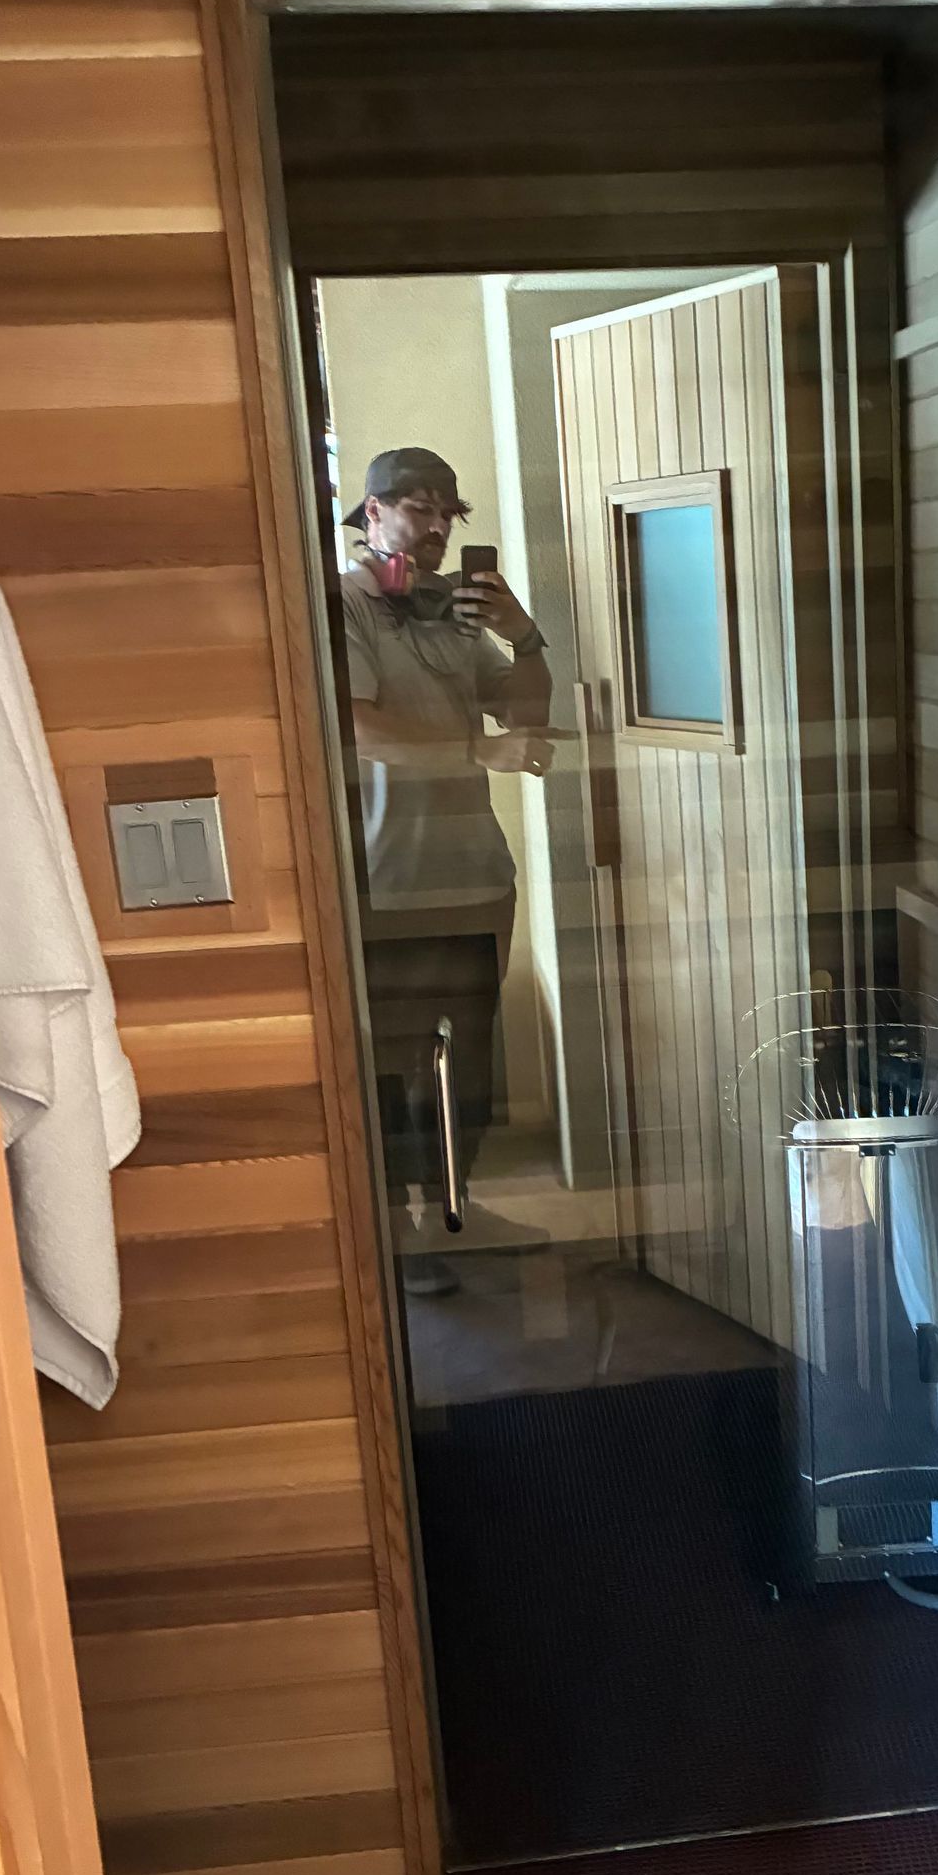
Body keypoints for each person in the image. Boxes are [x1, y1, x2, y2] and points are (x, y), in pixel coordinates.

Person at [338, 447, 554, 1292]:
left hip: (474, 874)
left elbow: (527, 712)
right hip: (384, 882)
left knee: (466, 1061)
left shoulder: (453, 613)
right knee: (391, 1063)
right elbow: (360, 732)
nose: (431, 528)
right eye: (414, 508)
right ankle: (399, 1237)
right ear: (372, 512)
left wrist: (523, 632)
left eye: (445, 513)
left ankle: (459, 1208)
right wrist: (477, 747)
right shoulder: (343, 603)